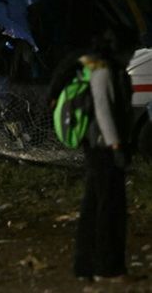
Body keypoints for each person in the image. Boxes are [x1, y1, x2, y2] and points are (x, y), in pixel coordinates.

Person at [73, 32, 133, 281]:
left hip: (98, 149)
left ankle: (85, 265)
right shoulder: (104, 73)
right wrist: (116, 146)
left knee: (93, 206)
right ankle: (108, 267)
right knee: (110, 208)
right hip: (103, 149)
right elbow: (104, 111)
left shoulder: (97, 70)